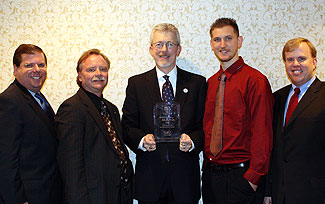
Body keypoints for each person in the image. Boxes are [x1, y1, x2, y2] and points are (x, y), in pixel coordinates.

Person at [122, 23, 206, 204]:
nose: (164, 50)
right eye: (159, 44)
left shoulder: (197, 84)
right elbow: (127, 127)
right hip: (149, 182)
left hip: (185, 182)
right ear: (151, 50)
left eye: (170, 44)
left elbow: (204, 127)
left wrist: (192, 141)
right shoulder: (136, 84)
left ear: (179, 49)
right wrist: (142, 140)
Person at [202, 18, 274, 204]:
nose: (222, 45)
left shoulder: (255, 80)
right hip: (211, 177)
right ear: (211, 44)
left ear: (239, 41)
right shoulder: (211, 83)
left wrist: (253, 178)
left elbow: (263, 132)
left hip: (242, 177)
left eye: (228, 38)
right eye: (217, 40)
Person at [56, 49, 133, 204]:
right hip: (92, 197)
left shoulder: (111, 109)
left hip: (118, 194)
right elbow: (70, 167)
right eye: (91, 70)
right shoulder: (72, 108)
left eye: (103, 69)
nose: (98, 73)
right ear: (79, 76)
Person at [264, 38, 325, 204]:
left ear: (314, 62)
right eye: (290, 59)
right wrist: (269, 190)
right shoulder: (277, 98)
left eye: (301, 58)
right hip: (280, 193)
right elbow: (273, 148)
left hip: (315, 194)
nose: (295, 64)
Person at [0, 44, 62, 204]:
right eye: (29, 65)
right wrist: (18, 200)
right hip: (28, 197)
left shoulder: (37, 98)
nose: (37, 69)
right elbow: (5, 160)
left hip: (47, 193)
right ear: (15, 69)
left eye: (41, 65)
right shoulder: (9, 101)